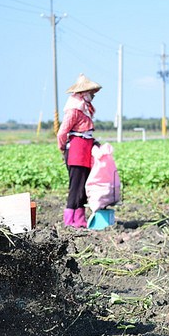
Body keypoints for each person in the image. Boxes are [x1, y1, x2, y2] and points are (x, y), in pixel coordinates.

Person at [57, 73, 102, 228]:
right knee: (76, 185)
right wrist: (63, 148)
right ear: (83, 93)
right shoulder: (74, 110)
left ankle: (80, 219)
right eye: (90, 93)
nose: (92, 95)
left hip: (85, 148)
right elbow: (62, 132)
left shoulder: (84, 109)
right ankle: (69, 220)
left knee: (84, 184)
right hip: (76, 149)